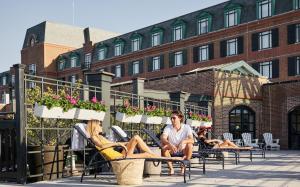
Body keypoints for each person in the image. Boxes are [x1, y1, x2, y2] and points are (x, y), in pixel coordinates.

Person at [86, 119, 159, 159]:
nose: (101, 126)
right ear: (95, 126)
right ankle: (157, 157)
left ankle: (156, 156)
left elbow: (110, 144)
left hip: (120, 155)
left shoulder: (100, 137)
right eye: (99, 125)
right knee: (147, 154)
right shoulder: (93, 137)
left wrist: (126, 143)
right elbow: (101, 146)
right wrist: (117, 143)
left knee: (136, 138)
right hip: (119, 157)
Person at [161, 110, 194, 175]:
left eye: (174, 118)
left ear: (180, 118)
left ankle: (183, 167)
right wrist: (169, 144)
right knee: (164, 147)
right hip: (172, 149)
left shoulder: (186, 127)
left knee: (190, 145)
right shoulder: (168, 127)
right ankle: (171, 168)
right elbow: (163, 138)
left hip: (183, 149)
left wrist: (183, 141)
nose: (172, 120)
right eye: (171, 118)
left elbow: (192, 140)